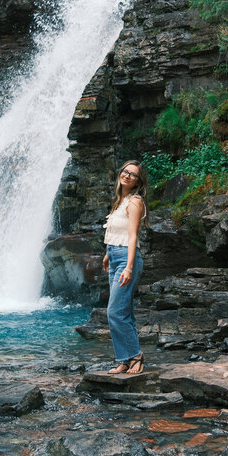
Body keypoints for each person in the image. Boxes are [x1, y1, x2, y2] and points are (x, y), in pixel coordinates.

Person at [102, 160, 149, 374]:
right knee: (125, 312)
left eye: (133, 174)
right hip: (114, 257)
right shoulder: (120, 201)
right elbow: (117, 233)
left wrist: (128, 267)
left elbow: (132, 236)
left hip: (125, 260)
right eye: (125, 171)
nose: (127, 175)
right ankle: (125, 358)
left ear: (138, 182)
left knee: (115, 312)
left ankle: (136, 356)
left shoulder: (135, 202)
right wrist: (107, 255)